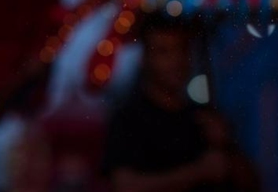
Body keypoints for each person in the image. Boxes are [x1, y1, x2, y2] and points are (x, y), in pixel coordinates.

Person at [101, 15, 260, 192]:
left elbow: (251, 183)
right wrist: (198, 172)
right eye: (164, 52)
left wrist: (226, 145)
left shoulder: (205, 117)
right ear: (145, 58)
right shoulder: (129, 118)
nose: (176, 61)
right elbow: (125, 186)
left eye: (181, 49)